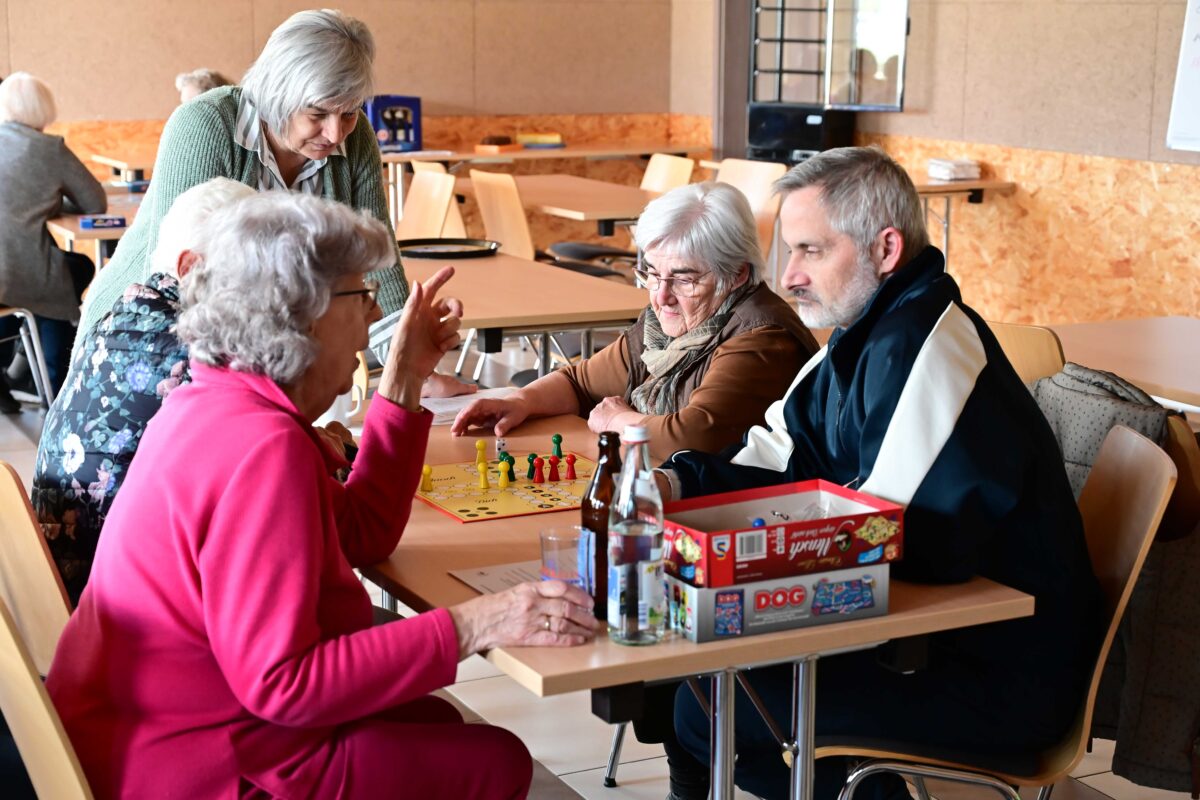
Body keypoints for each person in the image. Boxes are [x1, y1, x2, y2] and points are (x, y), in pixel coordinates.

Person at [46, 192, 599, 799]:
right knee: (495, 761)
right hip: (201, 763)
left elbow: (362, 532)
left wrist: (406, 375)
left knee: (436, 720)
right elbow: (283, 685)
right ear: (303, 314)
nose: (372, 314)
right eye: (359, 295)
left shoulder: (216, 399)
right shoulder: (261, 448)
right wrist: (478, 623)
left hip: (149, 728)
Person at [658, 147, 1103, 800]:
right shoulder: (856, 336)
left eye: (811, 251)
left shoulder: (928, 345)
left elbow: (874, 536)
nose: (789, 276)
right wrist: (673, 487)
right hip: (920, 639)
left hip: (1000, 674)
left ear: (885, 250)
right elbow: (780, 458)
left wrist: (722, 560)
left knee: (717, 705)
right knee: (706, 697)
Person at [76, 9, 470, 397]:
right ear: (278, 92)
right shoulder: (205, 124)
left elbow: (375, 265)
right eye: (316, 114)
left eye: (348, 113)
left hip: (253, 363)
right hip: (140, 350)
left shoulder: (356, 137)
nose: (335, 133)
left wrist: (411, 368)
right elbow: (179, 286)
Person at [451, 182, 818, 460]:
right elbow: (581, 382)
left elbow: (692, 437)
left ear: (736, 275)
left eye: (684, 278)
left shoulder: (764, 338)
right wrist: (522, 400)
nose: (661, 295)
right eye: (653, 274)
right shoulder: (664, 324)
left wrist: (617, 421)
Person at [32, 178, 255, 604]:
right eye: (251, 269)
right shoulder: (198, 352)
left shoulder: (125, 312)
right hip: (118, 612)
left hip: (58, 599)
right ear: (190, 267)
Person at [0, 72, 106, 405]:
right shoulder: (49, 149)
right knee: (73, 275)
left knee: (68, 272)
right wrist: (52, 200)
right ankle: (58, 388)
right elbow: (94, 202)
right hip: (17, 273)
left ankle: (16, 375)